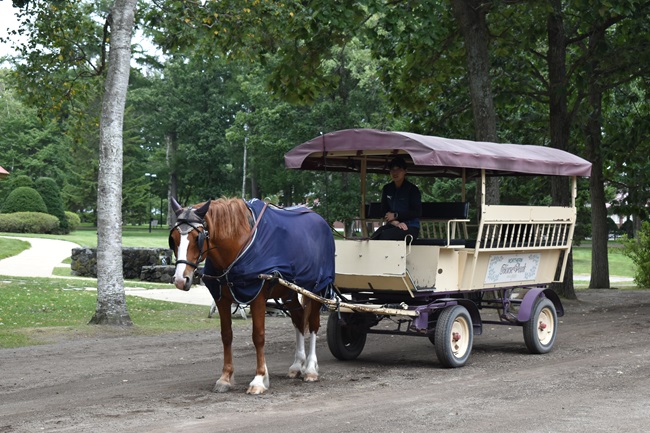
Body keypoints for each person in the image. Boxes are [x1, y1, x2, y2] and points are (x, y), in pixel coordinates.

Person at [370, 155, 422, 242]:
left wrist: (396, 216)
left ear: (405, 171)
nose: (395, 173)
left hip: (410, 227)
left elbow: (417, 212)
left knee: (386, 235)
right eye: (392, 170)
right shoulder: (387, 188)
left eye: (398, 170)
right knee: (375, 236)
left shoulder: (412, 189)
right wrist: (395, 222)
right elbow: (384, 209)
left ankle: (389, 256)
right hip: (393, 224)